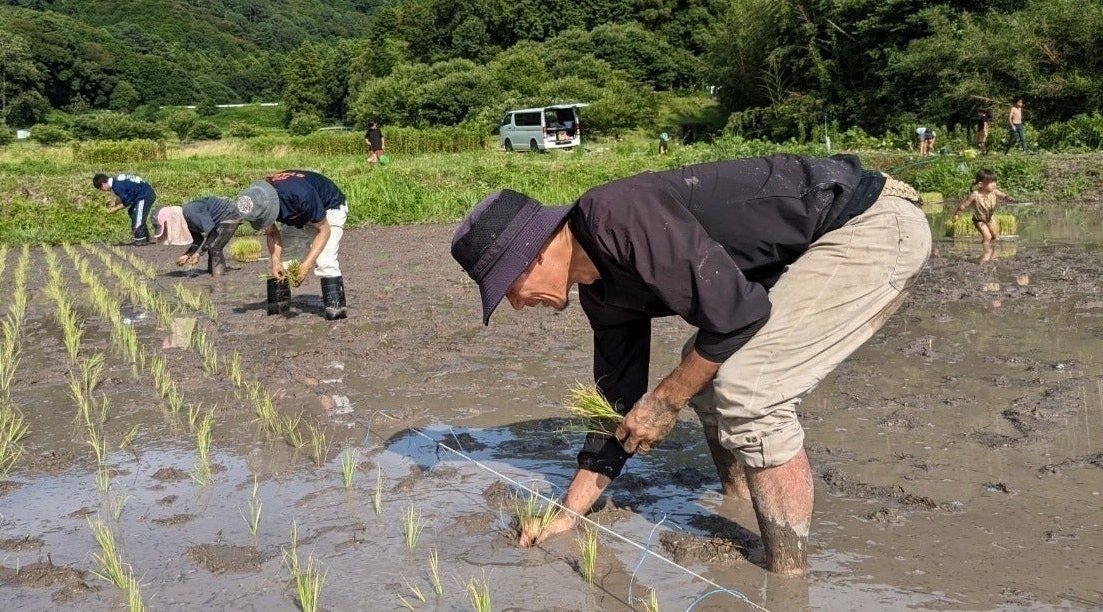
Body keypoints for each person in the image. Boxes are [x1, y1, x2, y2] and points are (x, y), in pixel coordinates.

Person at [450, 154, 931, 575]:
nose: (515, 304)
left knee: (750, 390)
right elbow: (615, 406)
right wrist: (569, 513)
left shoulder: (616, 215)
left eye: (507, 288)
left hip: (870, 224)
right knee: (699, 370)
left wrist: (664, 400)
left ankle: (786, 579)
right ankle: (740, 500)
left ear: (533, 255)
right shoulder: (603, 294)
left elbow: (739, 316)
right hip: (817, 244)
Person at [237, 170, 349, 319]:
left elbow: (324, 230)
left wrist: (306, 266)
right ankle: (278, 310)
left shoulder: (301, 194)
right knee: (285, 262)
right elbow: (272, 233)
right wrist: (275, 262)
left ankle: (336, 310)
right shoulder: (256, 203)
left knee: (325, 259)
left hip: (329, 208)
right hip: (298, 214)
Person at [170, 196, 249, 277]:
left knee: (215, 247)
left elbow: (213, 233)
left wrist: (199, 253)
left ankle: (218, 279)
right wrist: (187, 255)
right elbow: (198, 239)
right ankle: (212, 273)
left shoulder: (191, 214)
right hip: (217, 221)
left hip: (229, 213)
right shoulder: (186, 222)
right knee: (212, 246)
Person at [951, 169, 1010, 246]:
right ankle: (985, 253)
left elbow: (1002, 195)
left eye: (994, 182)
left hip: (990, 218)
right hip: (979, 220)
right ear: (980, 184)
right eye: (990, 182)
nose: (994, 184)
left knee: (995, 236)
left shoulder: (994, 191)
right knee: (987, 237)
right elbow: (964, 205)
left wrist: (1007, 197)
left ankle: (994, 253)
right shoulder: (975, 195)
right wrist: (957, 214)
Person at [93, 173, 156, 245]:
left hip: (145, 196)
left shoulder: (117, 186)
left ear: (103, 184)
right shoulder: (116, 181)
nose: (102, 190)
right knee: (132, 212)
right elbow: (128, 193)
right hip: (143, 193)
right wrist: (116, 202)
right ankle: (146, 237)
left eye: (101, 189)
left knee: (137, 216)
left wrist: (115, 209)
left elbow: (127, 202)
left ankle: (140, 239)